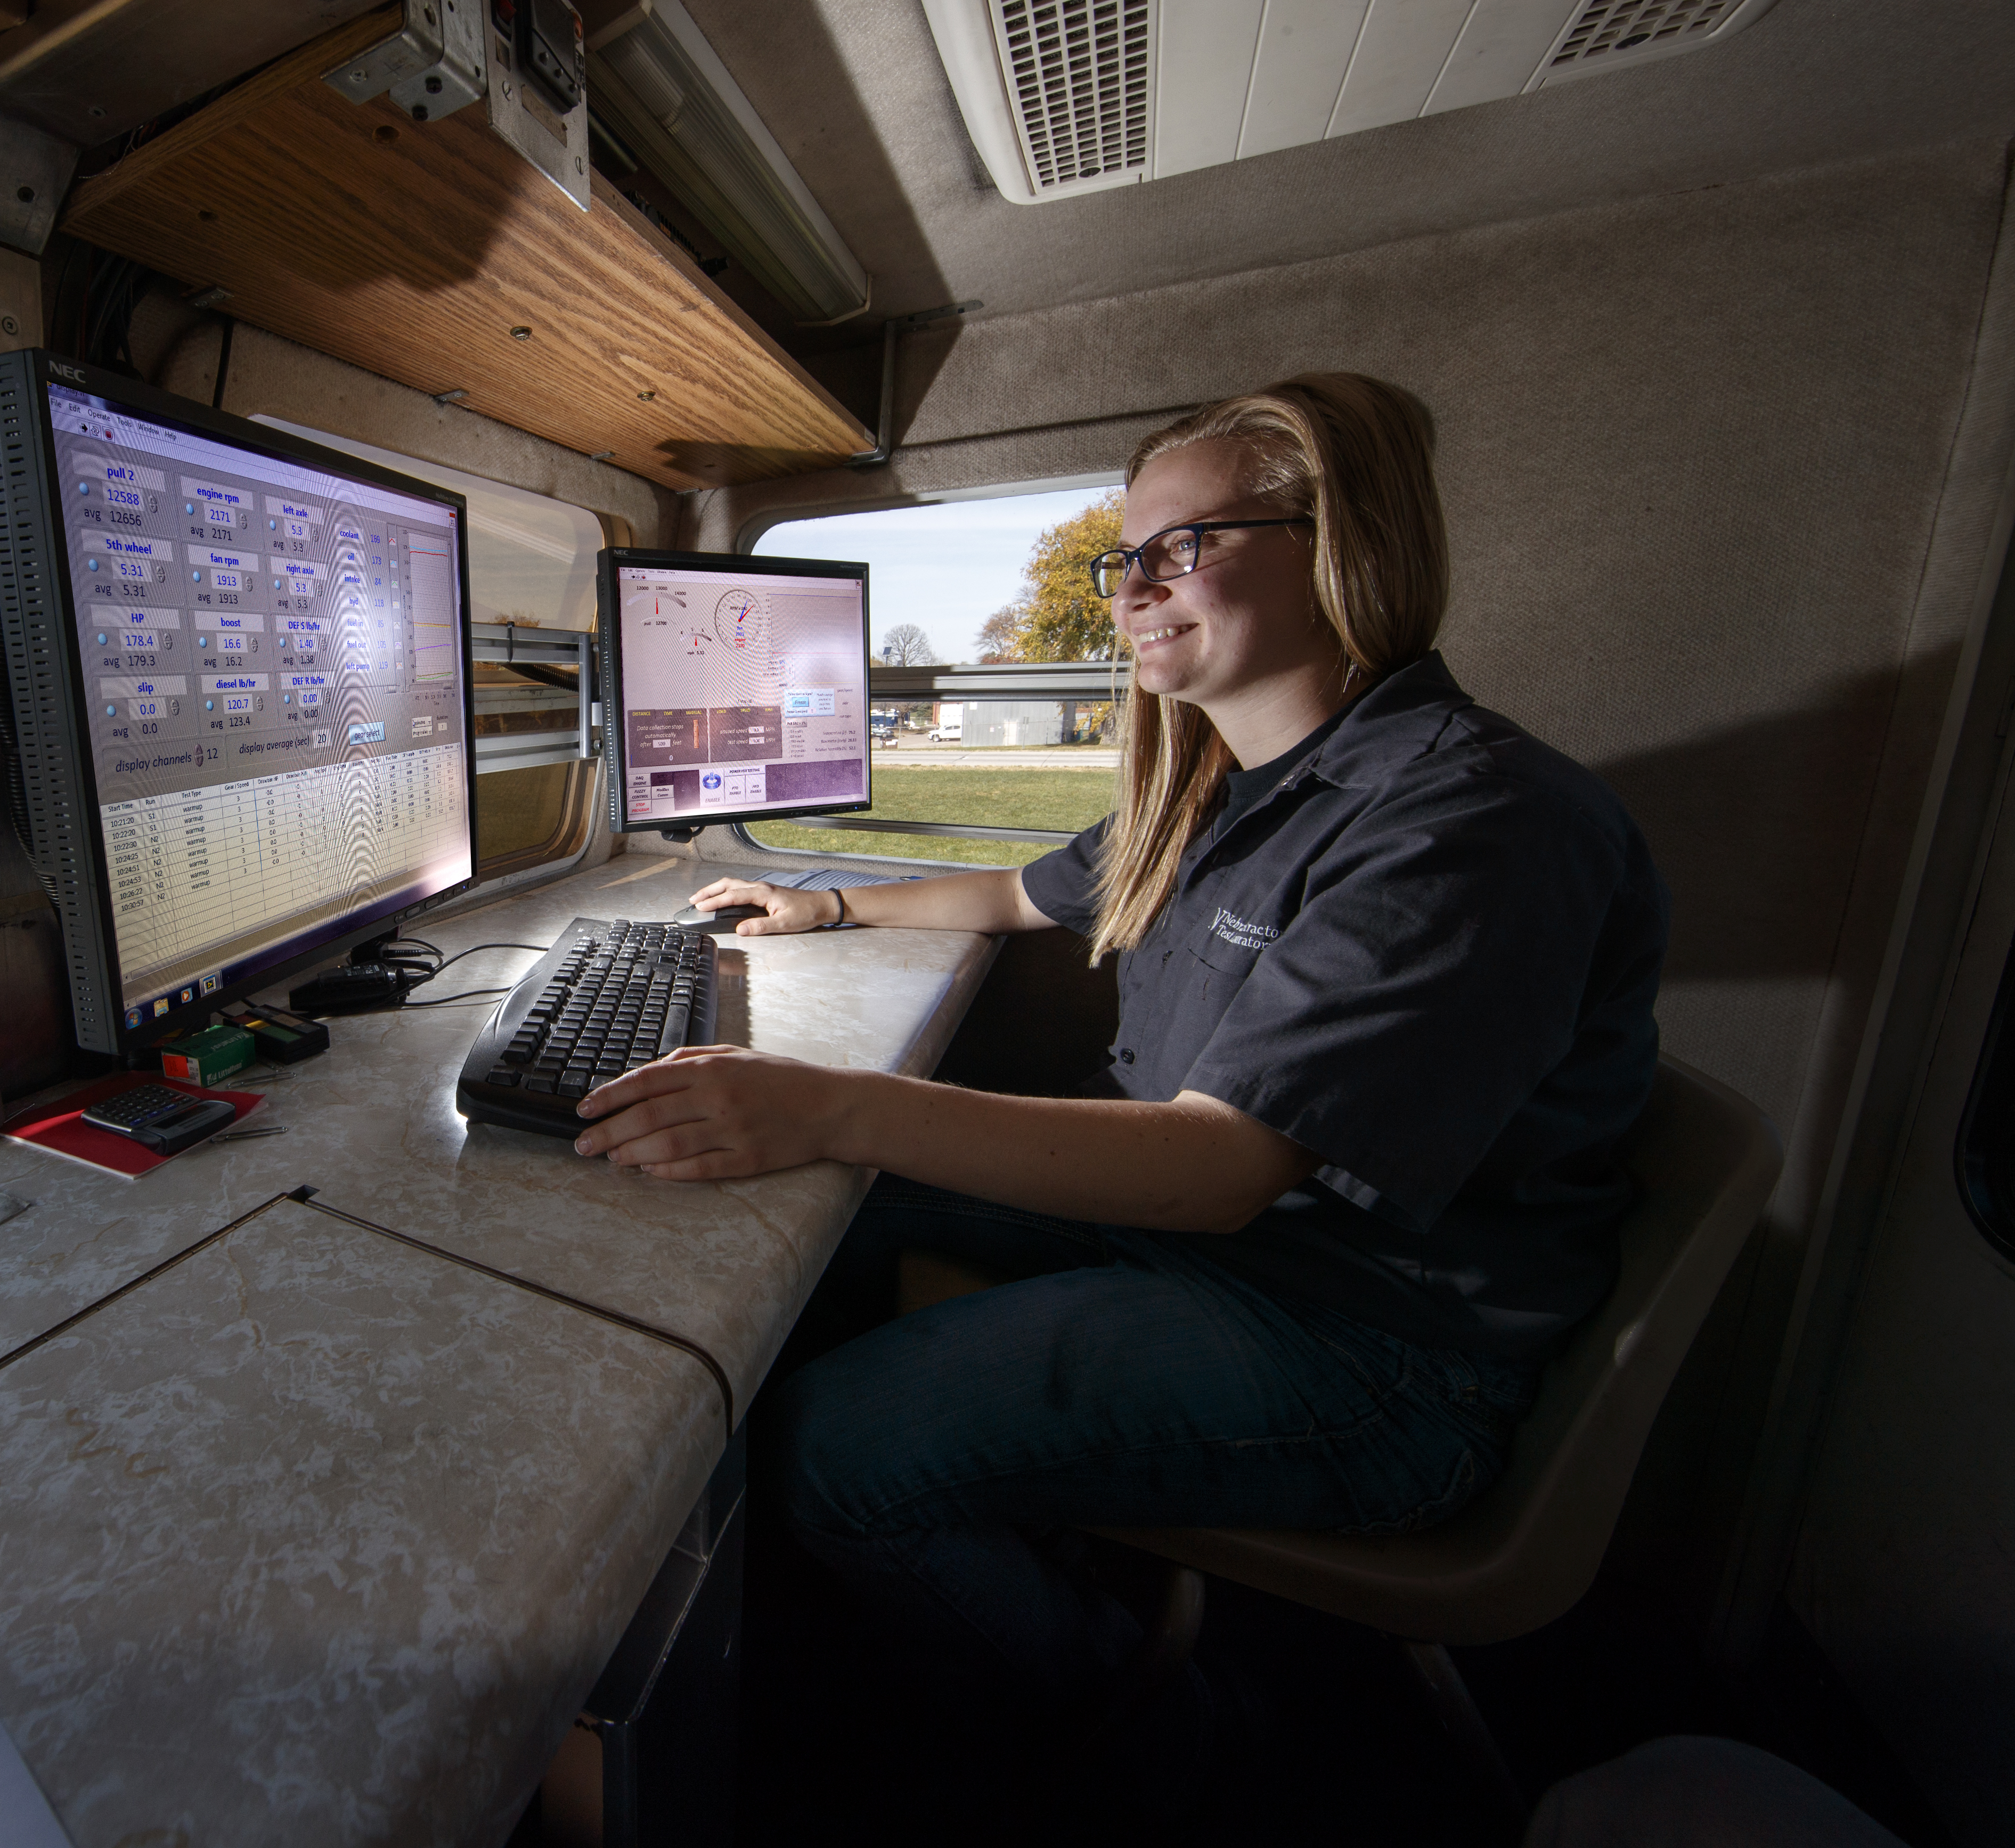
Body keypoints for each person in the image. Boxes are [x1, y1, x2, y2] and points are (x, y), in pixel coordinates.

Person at [570, 373, 1669, 1773]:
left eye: (1182, 548)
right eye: (1123, 557)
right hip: (1237, 1253)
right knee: (838, 1206)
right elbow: (1023, 896)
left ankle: (1137, 1723)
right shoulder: (1219, 787)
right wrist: (828, 909)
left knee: (827, 1450)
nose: (1134, 588)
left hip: (1366, 1342)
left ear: (1342, 543)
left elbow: (1218, 1172)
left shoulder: (1471, 823)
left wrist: (836, 1098)